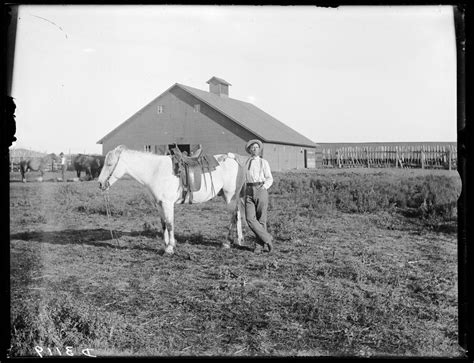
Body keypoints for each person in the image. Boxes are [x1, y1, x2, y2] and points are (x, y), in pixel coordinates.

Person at [244, 139, 274, 252]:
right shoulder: (246, 162)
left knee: (261, 219)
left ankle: (259, 246)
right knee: (250, 218)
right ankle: (267, 238)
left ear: (259, 149)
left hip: (260, 189)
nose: (254, 149)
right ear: (249, 150)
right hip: (248, 190)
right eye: (252, 147)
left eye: (256, 147)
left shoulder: (263, 162)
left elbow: (269, 178)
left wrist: (264, 187)